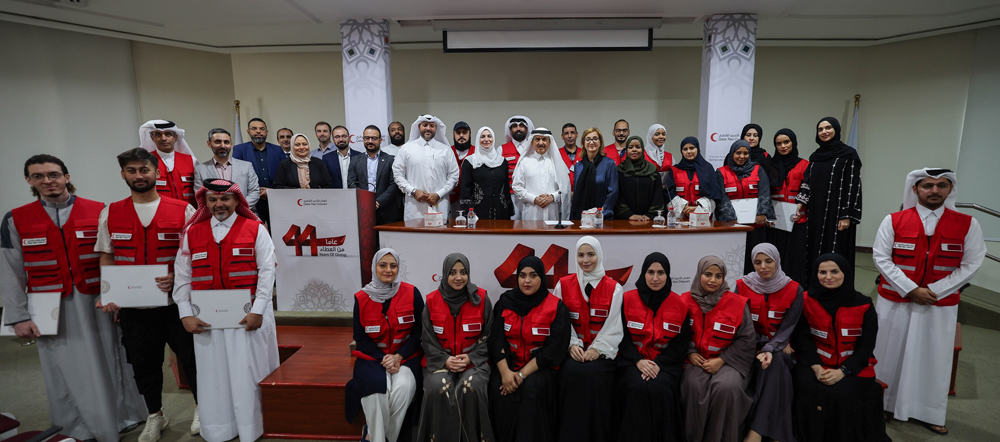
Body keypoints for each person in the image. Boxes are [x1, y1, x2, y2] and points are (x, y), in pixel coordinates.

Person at [1, 155, 146, 441]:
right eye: (39, 176)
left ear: (67, 177)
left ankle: (122, 416)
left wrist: (120, 297)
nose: (47, 181)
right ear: (29, 181)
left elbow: (117, 257)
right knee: (63, 368)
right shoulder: (15, 219)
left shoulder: (100, 210)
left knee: (112, 358)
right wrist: (18, 317)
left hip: (96, 299)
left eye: (53, 174)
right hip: (47, 305)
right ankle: (75, 426)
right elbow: (10, 271)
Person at [96, 148, 200, 440]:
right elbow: (107, 256)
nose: (138, 176)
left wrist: (177, 277)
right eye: (132, 171)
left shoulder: (183, 209)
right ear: (123, 174)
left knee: (192, 359)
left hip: (175, 305)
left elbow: (195, 256)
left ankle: (202, 407)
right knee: (144, 363)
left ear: (156, 173)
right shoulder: (111, 212)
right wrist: (108, 293)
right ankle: (155, 415)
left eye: (144, 170)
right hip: (133, 308)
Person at [873, 168, 986, 435]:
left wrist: (934, 290)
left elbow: (972, 263)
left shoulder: (967, 223)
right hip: (895, 302)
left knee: (933, 359)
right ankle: (883, 405)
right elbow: (881, 257)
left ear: (950, 189)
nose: (934, 190)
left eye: (941, 185)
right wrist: (911, 289)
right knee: (887, 354)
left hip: (938, 305)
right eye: (927, 185)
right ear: (915, 190)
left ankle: (928, 411)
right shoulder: (894, 220)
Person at [172, 179, 280, 442]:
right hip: (207, 319)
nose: (219, 204)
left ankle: (251, 429)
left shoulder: (255, 228)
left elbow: (267, 273)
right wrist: (185, 313)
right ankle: (219, 429)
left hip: (249, 318)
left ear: (236, 201)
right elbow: (182, 276)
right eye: (212, 199)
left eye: (224, 199)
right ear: (205, 203)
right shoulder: (192, 232)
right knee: (213, 378)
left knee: (248, 375)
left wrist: (257, 310)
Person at [791, 254, 888, 442]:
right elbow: (801, 339)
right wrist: (817, 367)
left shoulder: (864, 305)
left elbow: (866, 346)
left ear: (846, 273)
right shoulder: (805, 300)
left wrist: (843, 371)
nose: (828, 277)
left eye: (834, 271)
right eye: (822, 272)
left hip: (853, 368)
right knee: (805, 388)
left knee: (842, 395)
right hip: (814, 364)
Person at [488, 256, 571, 442]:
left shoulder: (556, 307)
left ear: (542, 277)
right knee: (497, 387)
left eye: (533, 275)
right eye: (522, 275)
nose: (527, 281)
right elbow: (496, 341)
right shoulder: (505, 302)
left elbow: (553, 351)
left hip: (539, 368)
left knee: (531, 389)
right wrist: (506, 373)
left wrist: (521, 375)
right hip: (508, 366)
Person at [345, 249, 424, 442]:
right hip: (372, 359)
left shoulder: (412, 292)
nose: (388, 270)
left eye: (393, 265)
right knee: (376, 391)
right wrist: (385, 359)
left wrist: (398, 356)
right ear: (374, 267)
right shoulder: (361, 298)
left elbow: (419, 332)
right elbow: (360, 338)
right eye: (383, 265)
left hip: (406, 358)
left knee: (403, 388)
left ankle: (376, 436)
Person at [416, 253, 493, 442]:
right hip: (439, 363)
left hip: (475, 363)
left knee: (472, 387)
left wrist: (471, 358)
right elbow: (427, 339)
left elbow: (490, 335)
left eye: (463, 272)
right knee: (438, 387)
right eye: (452, 272)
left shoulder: (481, 298)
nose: (459, 277)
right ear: (444, 274)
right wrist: (445, 360)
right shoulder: (432, 300)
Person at [553, 236, 624, 442]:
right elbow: (560, 322)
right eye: (581, 255)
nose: (586, 260)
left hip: (602, 354)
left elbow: (614, 326)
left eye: (591, 254)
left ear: (599, 255)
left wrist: (596, 349)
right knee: (570, 372)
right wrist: (571, 345)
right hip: (572, 352)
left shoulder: (614, 288)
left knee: (595, 376)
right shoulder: (563, 285)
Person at [680, 255, 755, 442]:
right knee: (693, 386)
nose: (713, 280)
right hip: (696, 359)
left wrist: (722, 360)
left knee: (726, 387)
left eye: (718, 276)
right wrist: (690, 352)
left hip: (728, 361)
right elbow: (678, 334)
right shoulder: (684, 300)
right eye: (708, 274)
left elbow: (747, 338)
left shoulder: (737, 303)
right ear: (699, 275)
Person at [616, 252, 690, 442]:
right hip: (632, 363)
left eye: (661, 272)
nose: (655, 278)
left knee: (661, 390)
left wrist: (659, 364)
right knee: (636, 388)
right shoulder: (627, 299)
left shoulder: (680, 304)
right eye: (650, 272)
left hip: (665, 365)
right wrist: (638, 361)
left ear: (668, 275)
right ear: (643, 273)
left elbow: (680, 344)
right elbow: (621, 338)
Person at [735, 243, 802, 442]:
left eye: (768, 261)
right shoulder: (741, 286)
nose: (763, 266)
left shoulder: (794, 289)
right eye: (758, 262)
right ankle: (777, 434)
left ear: (777, 261)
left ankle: (755, 433)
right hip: (749, 346)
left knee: (776, 361)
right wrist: (768, 345)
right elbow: (738, 324)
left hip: (780, 348)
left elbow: (790, 326)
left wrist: (772, 347)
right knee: (776, 366)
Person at [793, 117, 862, 285]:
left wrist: (846, 215)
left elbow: (852, 185)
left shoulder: (848, 154)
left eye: (828, 128)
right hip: (816, 212)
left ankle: (837, 289)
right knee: (814, 250)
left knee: (835, 251)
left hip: (837, 214)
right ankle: (815, 287)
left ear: (836, 130)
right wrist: (799, 204)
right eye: (820, 129)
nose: (824, 132)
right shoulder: (816, 157)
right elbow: (807, 182)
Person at [717, 139, 775, 273]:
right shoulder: (721, 172)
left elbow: (764, 192)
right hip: (733, 226)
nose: (742, 156)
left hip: (755, 226)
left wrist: (762, 214)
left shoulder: (758, 169)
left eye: (745, 153)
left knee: (756, 259)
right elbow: (722, 198)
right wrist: (731, 219)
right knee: (733, 262)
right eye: (738, 153)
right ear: (732, 154)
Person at [392, 115, 461, 221]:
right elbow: (397, 174)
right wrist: (413, 191)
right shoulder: (406, 149)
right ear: (419, 127)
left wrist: (439, 194)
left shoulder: (446, 150)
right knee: (415, 237)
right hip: (415, 207)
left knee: (440, 236)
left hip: (440, 204)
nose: (428, 128)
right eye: (425, 125)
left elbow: (454, 176)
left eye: (432, 126)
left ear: (436, 128)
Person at [767, 129, 809, 284]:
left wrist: (800, 206)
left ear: (793, 142)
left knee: (796, 258)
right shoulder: (770, 165)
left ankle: (795, 289)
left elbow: (808, 188)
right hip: (776, 221)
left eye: (786, 142)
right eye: (779, 143)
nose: (783, 146)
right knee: (776, 258)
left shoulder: (805, 165)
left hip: (798, 220)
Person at [511, 128, 572, 221]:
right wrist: (534, 199)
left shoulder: (557, 163)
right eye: (537, 139)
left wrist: (552, 197)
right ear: (532, 142)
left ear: (549, 142)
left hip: (553, 213)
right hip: (531, 214)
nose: (540, 143)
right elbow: (516, 186)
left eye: (544, 139)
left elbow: (565, 188)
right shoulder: (524, 162)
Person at [233, 118, 284, 226]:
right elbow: (237, 174)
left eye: (262, 129)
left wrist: (271, 191)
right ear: (248, 132)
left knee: (277, 234)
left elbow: (284, 174)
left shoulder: (277, 150)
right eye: (254, 129)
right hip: (251, 201)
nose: (258, 131)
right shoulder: (239, 149)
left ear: (266, 132)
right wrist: (256, 193)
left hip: (274, 199)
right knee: (254, 234)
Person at [348, 125, 403, 225]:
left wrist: (378, 202)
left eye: (374, 138)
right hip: (363, 211)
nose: (370, 141)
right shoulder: (355, 160)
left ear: (380, 140)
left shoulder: (391, 160)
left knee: (388, 241)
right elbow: (351, 183)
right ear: (363, 139)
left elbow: (394, 184)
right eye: (367, 138)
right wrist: (366, 202)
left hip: (387, 212)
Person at [195, 128, 260, 211]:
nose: (223, 146)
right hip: (215, 216)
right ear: (209, 144)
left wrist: (236, 209)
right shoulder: (200, 170)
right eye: (218, 142)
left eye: (226, 142)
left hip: (244, 215)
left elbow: (254, 192)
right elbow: (200, 197)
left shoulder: (246, 166)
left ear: (231, 144)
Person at [459, 126, 514, 220]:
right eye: (482, 136)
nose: (486, 139)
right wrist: (471, 213)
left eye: (489, 136)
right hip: (478, 214)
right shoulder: (470, 162)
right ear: (477, 139)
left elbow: (505, 190)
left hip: (501, 213)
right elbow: (465, 191)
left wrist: (509, 211)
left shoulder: (502, 161)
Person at [140, 119, 198, 205]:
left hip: (190, 213)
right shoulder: (145, 161)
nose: (163, 138)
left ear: (175, 137)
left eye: (168, 134)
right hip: (161, 213)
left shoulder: (191, 160)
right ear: (152, 138)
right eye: (158, 134)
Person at [669, 136, 723, 220]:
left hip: (702, 219)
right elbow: (669, 193)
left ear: (697, 149)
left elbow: (714, 194)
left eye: (692, 148)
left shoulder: (708, 169)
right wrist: (684, 207)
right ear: (681, 151)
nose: (689, 151)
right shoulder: (674, 170)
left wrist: (697, 209)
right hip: (681, 218)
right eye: (685, 149)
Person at [571, 128, 619, 220]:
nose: (591, 142)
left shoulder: (609, 164)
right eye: (588, 139)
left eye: (595, 139)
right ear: (583, 143)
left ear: (600, 142)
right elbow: (577, 191)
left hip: (602, 217)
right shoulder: (578, 166)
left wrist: (602, 213)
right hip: (581, 217)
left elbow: (613, 192)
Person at [617, 135, 667, 221]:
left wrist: (650, 214)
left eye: (638, 147)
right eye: (630, 147)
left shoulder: (652, 169)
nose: (634, 150)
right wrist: (628, 214)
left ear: (643, 149)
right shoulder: (620, 170)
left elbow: (658, 194)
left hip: (648, 219)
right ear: (626, 150)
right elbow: (617, 195)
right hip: (625, 219)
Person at [741, 123, 782, 190]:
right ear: (743, 136)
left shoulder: (765, 156)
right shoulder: (733, 156)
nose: (751, 138)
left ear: (759, 138)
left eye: (755, 135)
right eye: (748, 135)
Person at [448, 121, 476, 216]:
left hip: (472, 199)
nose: (461, 135)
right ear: (454, 135)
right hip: (451, 197)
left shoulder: (476, 152)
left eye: (464, 132)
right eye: (458, 133)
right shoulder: (447, 151)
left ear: (470, 134)